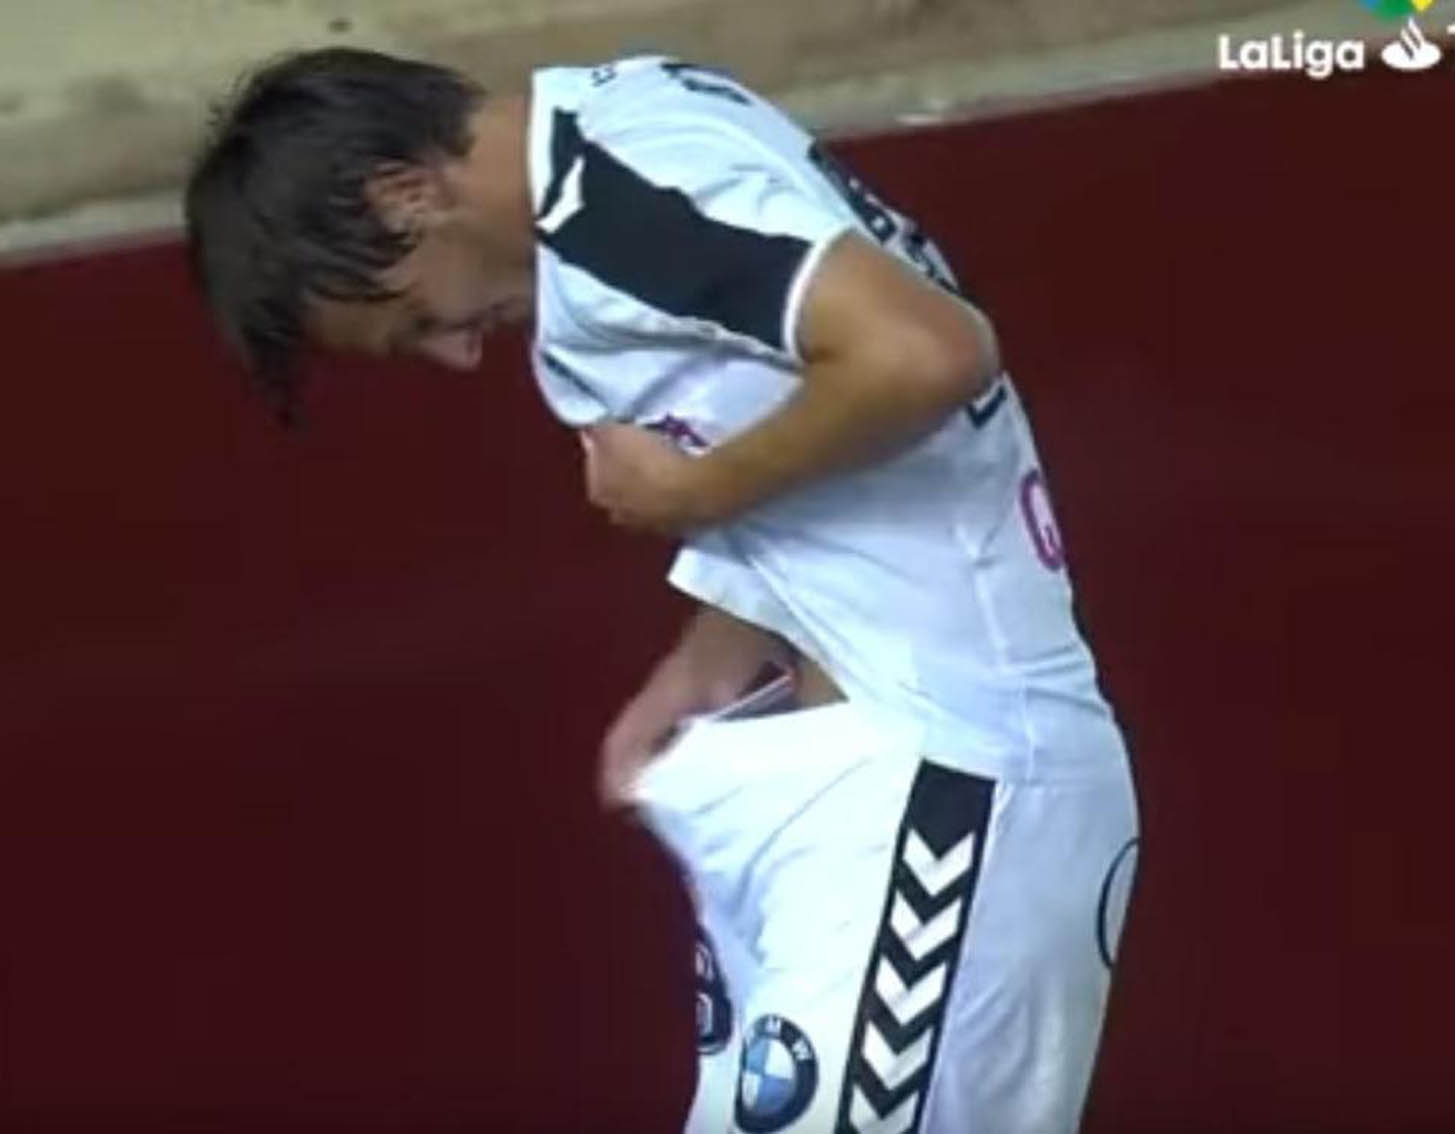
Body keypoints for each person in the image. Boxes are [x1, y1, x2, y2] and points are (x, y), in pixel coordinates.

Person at [186, 47, 1139, 1134]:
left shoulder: (615, 202)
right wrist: (712, 654)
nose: (455, 355)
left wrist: (692, 491)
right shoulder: (628, 127)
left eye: (414, 316)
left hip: (949, 781)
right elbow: (802, 388)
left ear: (405, 194)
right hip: (863, 786)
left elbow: (928, 353)